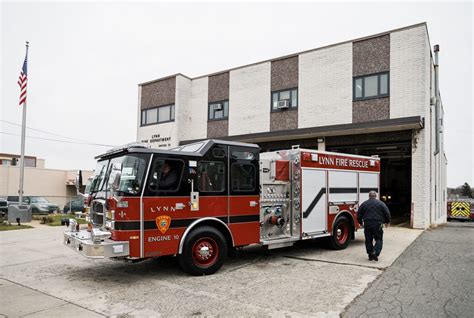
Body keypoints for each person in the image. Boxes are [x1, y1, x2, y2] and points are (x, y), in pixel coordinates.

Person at [357, 191, 391, 261]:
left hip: (367, 224)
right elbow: (387, 213)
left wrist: (360, 222)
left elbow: (359, 214)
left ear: (369, 196)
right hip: (378, 224)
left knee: (368, 240)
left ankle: (370, 254)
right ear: (375, 196)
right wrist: (387, 222)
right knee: (379, 239)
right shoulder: (381, 203)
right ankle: (375, 252)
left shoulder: (364, 204)